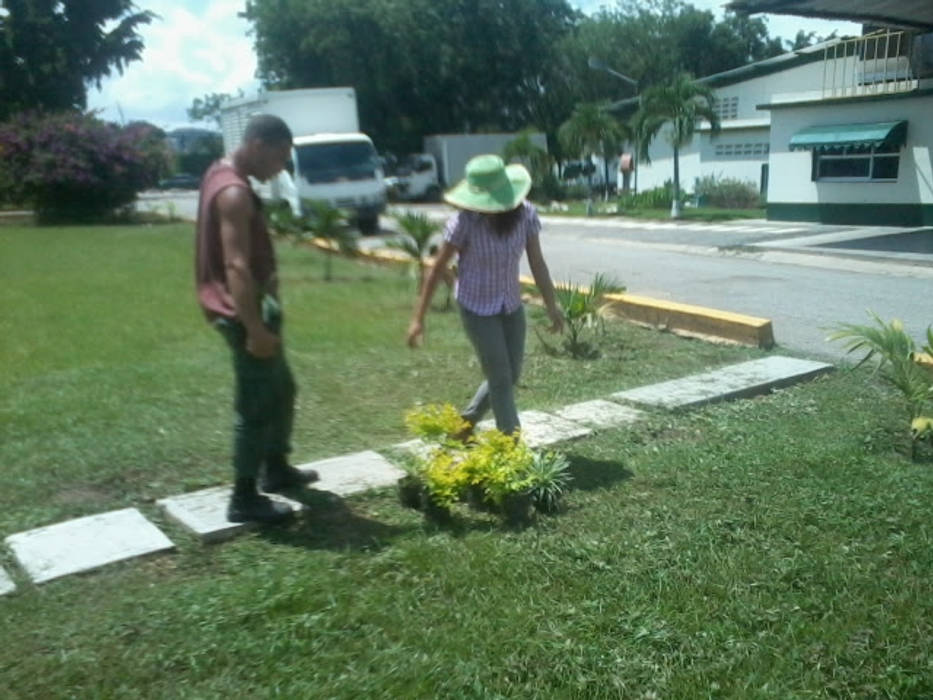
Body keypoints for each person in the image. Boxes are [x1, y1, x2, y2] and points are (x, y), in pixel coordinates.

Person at [195, 114, 317, 524]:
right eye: (280, 157)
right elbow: (236, 264)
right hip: (242, 313)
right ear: (258, 145)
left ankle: (276, 469)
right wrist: (254, 329)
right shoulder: (233, 192)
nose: (281, 167)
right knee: (256, 403)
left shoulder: (221, 173)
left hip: (253, 309)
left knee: (282, 389)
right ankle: (244, 497)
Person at [406, 154, 564, 436]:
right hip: (475, 307)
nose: (484, 209)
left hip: (510, 303)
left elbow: (537, 262)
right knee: (501, 379)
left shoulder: (526, 214)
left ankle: (465, 424)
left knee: (511, 374)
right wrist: (418, 319)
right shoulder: (464, 222)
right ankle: (510, 449)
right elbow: (437, 268)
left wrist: (552, 304)